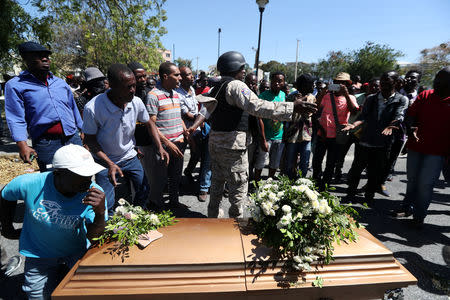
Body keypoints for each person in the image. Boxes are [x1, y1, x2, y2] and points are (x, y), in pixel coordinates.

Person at [192, 51, 317, 218]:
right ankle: (234, 226)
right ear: (234, 67)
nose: (244, 71)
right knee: (238, 191)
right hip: (232, 148)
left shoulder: (217, 87)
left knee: (216, 186)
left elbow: (206, 112)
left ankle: (213, 220)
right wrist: (292, 106)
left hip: (216, 145)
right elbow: (257, 106)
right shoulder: (236, 86)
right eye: (242, 67)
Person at [0, 144, 107, 299]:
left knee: (83, 292)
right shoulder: (31, 183)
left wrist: (100, 213)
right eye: (81, 175)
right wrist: (7, 227)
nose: (88, 180)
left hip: (75, 250)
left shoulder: (94, 194)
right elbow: (5, 193)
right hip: (39, 253)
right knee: (37, 296)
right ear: (58, 173)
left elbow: (94, 238)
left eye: (89, 174)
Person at [83, 64, 168, 215]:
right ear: (113, 86)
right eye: (128, 87)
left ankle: (134, 219)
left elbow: (149, 123)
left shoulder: (136, 102)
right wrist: (109, 163)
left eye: (134, 86)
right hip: (104, 162)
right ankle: (108, 231)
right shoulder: (93, 108)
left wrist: (159, 146)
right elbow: (90, 140)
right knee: (106, 202)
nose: (133, 90)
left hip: (129, 156)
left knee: (144, 189)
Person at [5, 41, 83, 171]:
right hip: (46, 143)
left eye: (46, 55)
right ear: (26, 59)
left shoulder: (60, 83)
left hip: (72, 138)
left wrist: (83, 130)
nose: (45, 59)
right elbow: (15, 118)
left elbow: (72, 108)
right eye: (39, 55)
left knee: (80, 174)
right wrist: (22, 145)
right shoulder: (15, 85)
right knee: (52, 180)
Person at [392, 67, 450, 228]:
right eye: (437, 77)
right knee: (412, 181)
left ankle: (419, 216)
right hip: (415, 147)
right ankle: (406, 207)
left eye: (442, 79)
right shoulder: (425, 95)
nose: (437, 81)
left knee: (426, 184)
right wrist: (410, 128)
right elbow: (411, 116)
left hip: (437, 152)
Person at [344, 71, 408, 204]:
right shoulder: (371, 98)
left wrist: (391, 126)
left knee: (375, 172)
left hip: (383, 143)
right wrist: (353, 125)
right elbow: (364, 116)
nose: (384, 83)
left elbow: (399, 116)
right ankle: (350, 194)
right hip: (365, 140)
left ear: (395, 82)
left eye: (388, 80)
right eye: (383, 80)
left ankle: (369, 197)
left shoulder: (401, 99)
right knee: (356, 169)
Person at [146, 62, 188, 209]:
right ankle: (158, 208)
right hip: (164, 145)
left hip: (179, 143)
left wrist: (185, 131)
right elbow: (151, 124)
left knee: (176, 177)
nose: (180, 78)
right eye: (176, 75)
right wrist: (167, 143)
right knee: (160, 179)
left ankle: (174, 203)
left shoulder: (176, 94)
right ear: (165, 76)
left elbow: (178, 117)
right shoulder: (153, 95)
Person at [312, 72, 359, 190]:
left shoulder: (351, 97)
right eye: (337, 82)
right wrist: (323, 92)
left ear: (347, 84)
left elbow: (354, 111)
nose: (340, 85)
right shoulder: (327, 95)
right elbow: (316, 106)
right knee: (316, 161)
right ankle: (316, 182)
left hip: (337, 135)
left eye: (343, 83)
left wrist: (346, 94)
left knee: (331, 163)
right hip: (322, 132)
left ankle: (324, 186)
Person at [334, 77, 380, 182]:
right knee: (341, 154)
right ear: (367, 87)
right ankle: (337, 172)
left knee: (358, 157)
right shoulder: (357, 97)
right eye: (371, 86)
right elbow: (352, 111)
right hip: (350, 129)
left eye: (377, 86)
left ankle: (351, 175)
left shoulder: (379, 101)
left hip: (363, 134)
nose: (374, 88)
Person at [176, 66, 211, 202]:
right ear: (181, 77)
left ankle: (199, 183)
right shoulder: (178, 93)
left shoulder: (191, 90)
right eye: (189, 75)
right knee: (182, 157)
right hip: (184, 130)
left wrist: (201, 119)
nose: (192, 77)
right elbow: (187, 115)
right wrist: (200, 118)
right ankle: (178, 181)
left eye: (191, 74)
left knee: (202, 156)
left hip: (197, 128)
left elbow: (197, 109)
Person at [254, 72, 287, 180]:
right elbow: (258, 117)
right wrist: (262, 138)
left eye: (280, 81)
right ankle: (256, 183)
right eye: (275, 81)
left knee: (275, 162)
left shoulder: (283, 95)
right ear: (271, 82)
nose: (277, 83)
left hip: (279, 136)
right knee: (260, 162)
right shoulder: (263, 96)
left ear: (284, 82)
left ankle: (269, 182)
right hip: (266, 136)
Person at [283, 74, 316, 179]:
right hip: (292, 135)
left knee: (305, 161)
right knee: (289, 161)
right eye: (311, 84)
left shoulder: (312, 98)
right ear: (304, 85)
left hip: (306, 135)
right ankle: (288, 182)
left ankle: (301, 182)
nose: (313, 87)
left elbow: (311, 114)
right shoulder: (291, 97)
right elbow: (285, 115)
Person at [245, 73, 268, 183]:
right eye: (249, 83)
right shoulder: (242, 96)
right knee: (245, 162)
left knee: (253, 161)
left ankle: (250, 182)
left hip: (254, 134)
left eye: (254, 83)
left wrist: (262, 139)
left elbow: (259, 119)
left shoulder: (256, 97)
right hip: (244, 134)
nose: (251, 86)